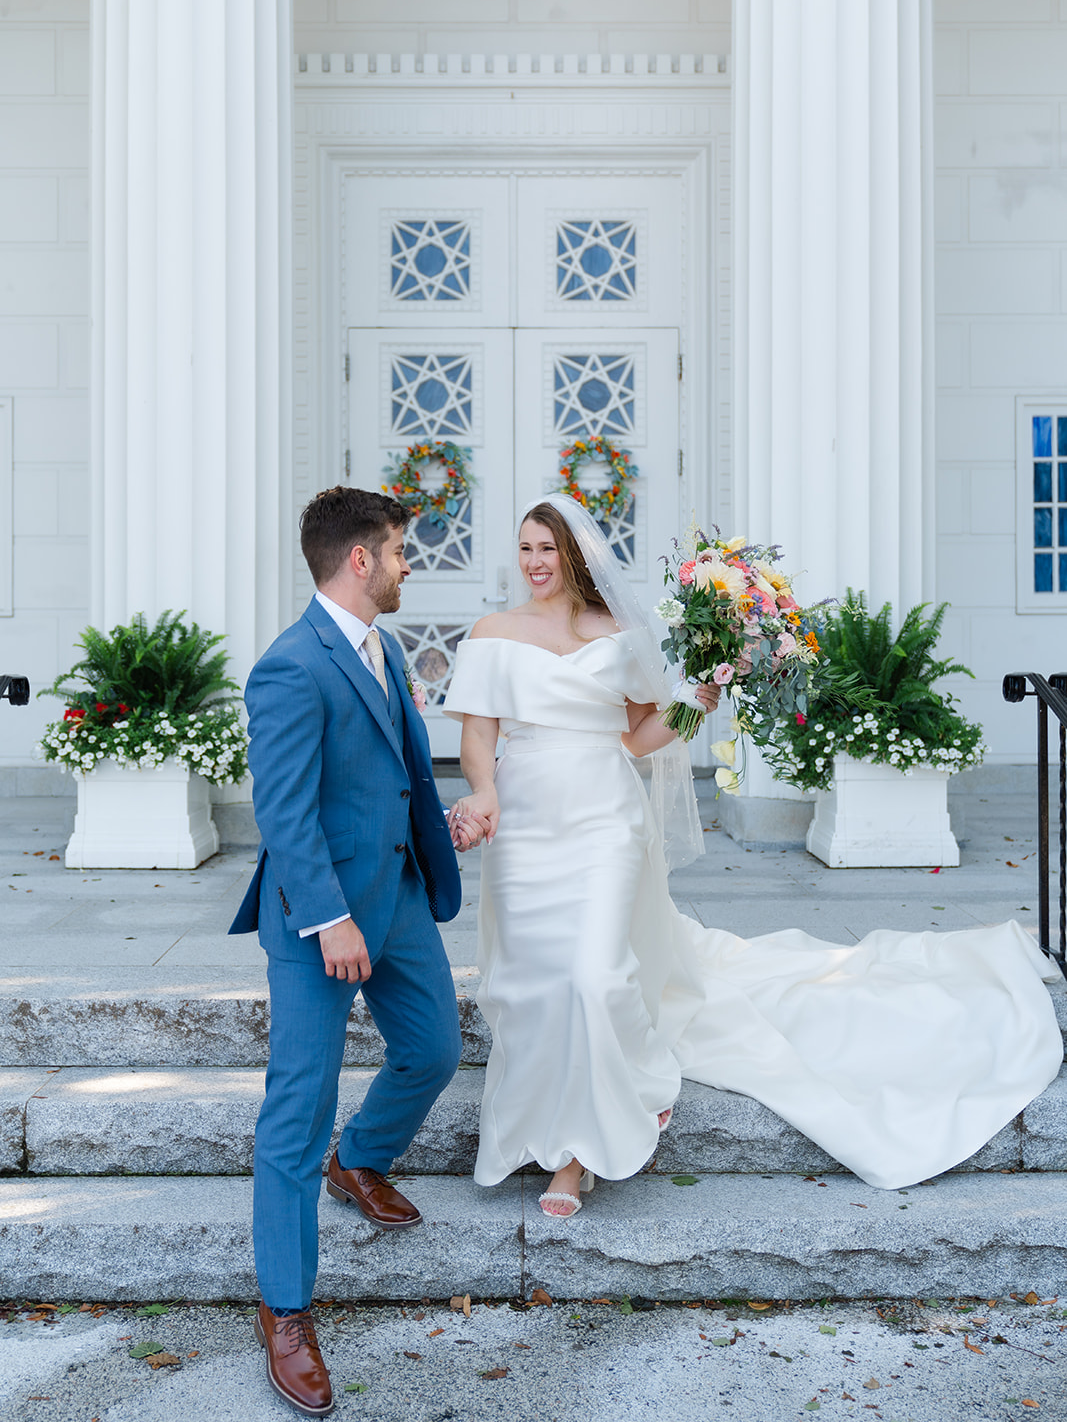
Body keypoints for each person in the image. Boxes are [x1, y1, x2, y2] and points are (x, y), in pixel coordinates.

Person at [443, 493, 1064, 1219]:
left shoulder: (617, 635)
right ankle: (532, 1121)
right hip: (523, 820)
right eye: (524, 549)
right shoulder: (492, 632)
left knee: (592, 974)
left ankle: (585, 1149)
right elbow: (478, 735)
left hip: (603, 816)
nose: (534, 562)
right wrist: (482, 795)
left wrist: (693, 706)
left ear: (575, 556)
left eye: (546, 549)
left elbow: (637, 736)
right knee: (530, 982)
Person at [229, 487, 486, 1417]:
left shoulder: (380, 648)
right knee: (296, 1112)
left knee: (433, 1050)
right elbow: (284, 811)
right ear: (357, 561)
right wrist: (328, 916)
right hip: (319, 918)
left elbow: (399, 769)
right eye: (399, 552)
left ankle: (362, 1157)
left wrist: (440, 825)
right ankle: (286, 1311)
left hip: (403, 894)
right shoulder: (289, 667)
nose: (410, 564)